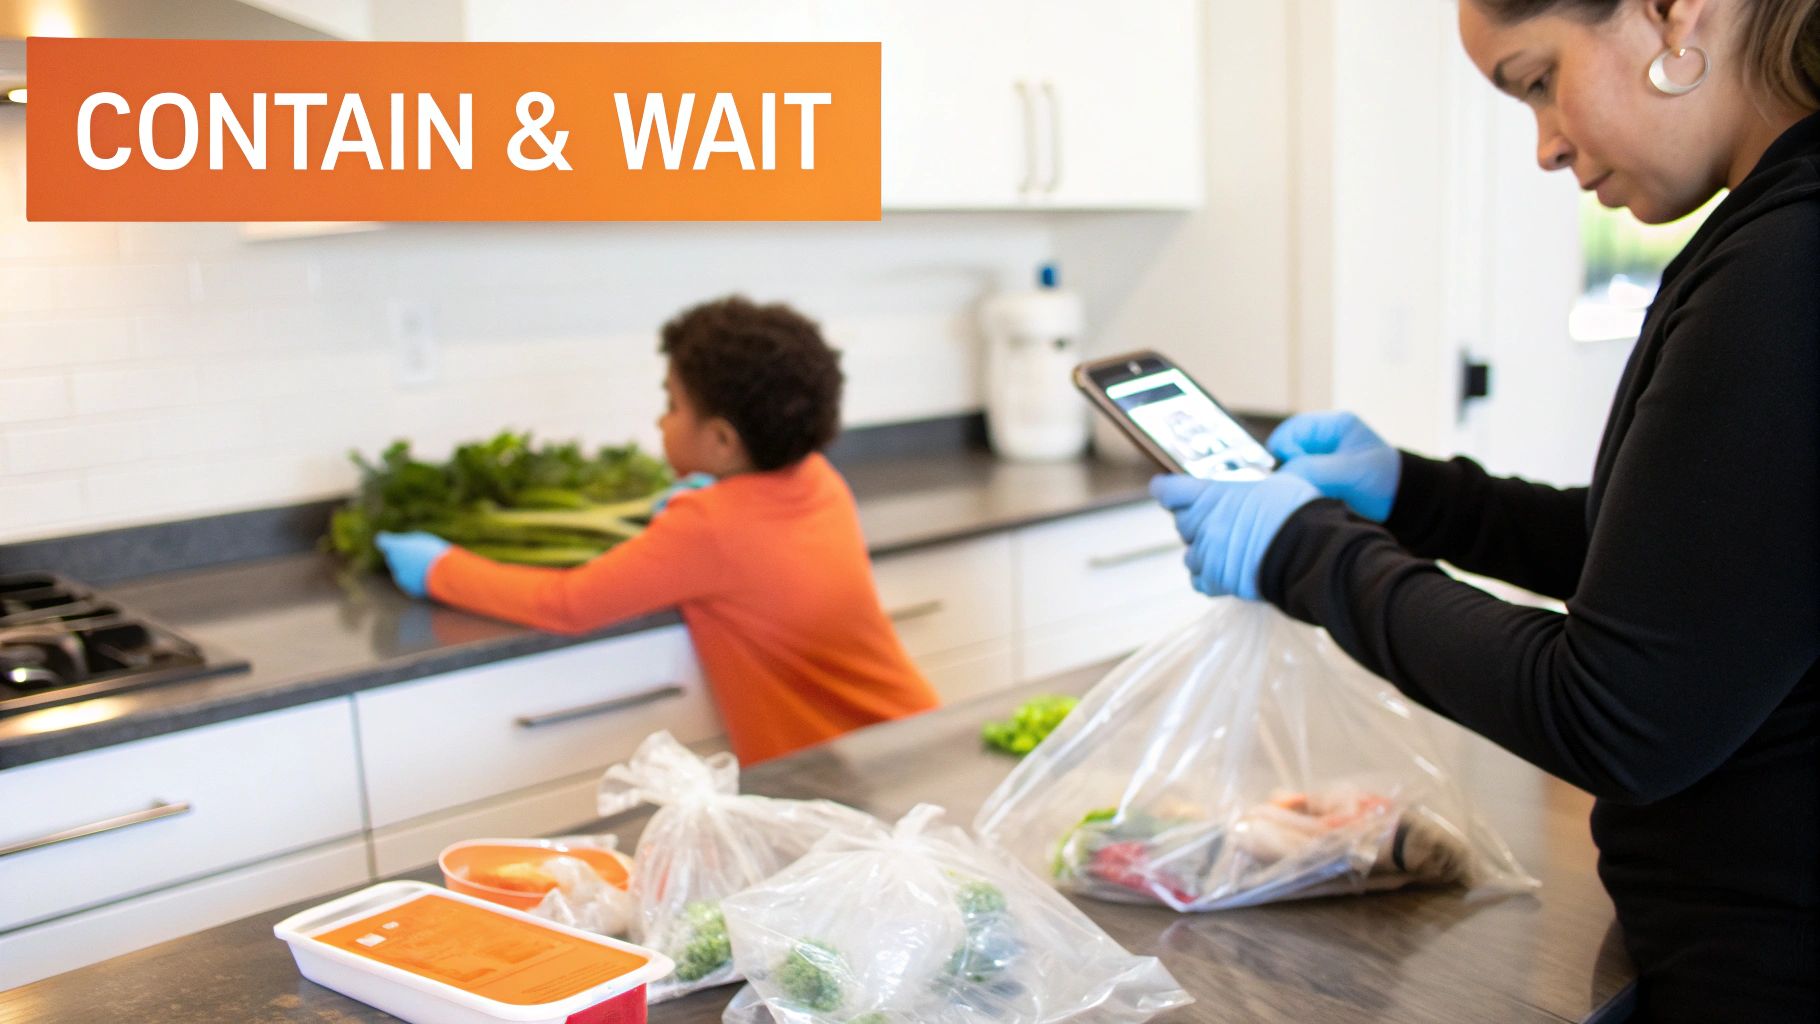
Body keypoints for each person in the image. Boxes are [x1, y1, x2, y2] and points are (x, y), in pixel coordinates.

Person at [1150, 0, 1818, 1019]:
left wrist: (1305, 554)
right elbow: (1694, 573)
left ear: (1674, 13)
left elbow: (1615, 714)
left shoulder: (1788, 263)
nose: (1546, 144)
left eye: (1539, 79)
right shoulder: (1774, 229)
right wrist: (1415, 494)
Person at [375, 296, 940, 765]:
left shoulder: (707, 527)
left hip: (841, 772)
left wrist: (442, 569)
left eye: (671, 404)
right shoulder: (819, 479)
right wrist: (708, 500)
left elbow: (565, 603)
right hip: (908, 735)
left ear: (722, 441)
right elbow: (758, 545)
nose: (659, 419)